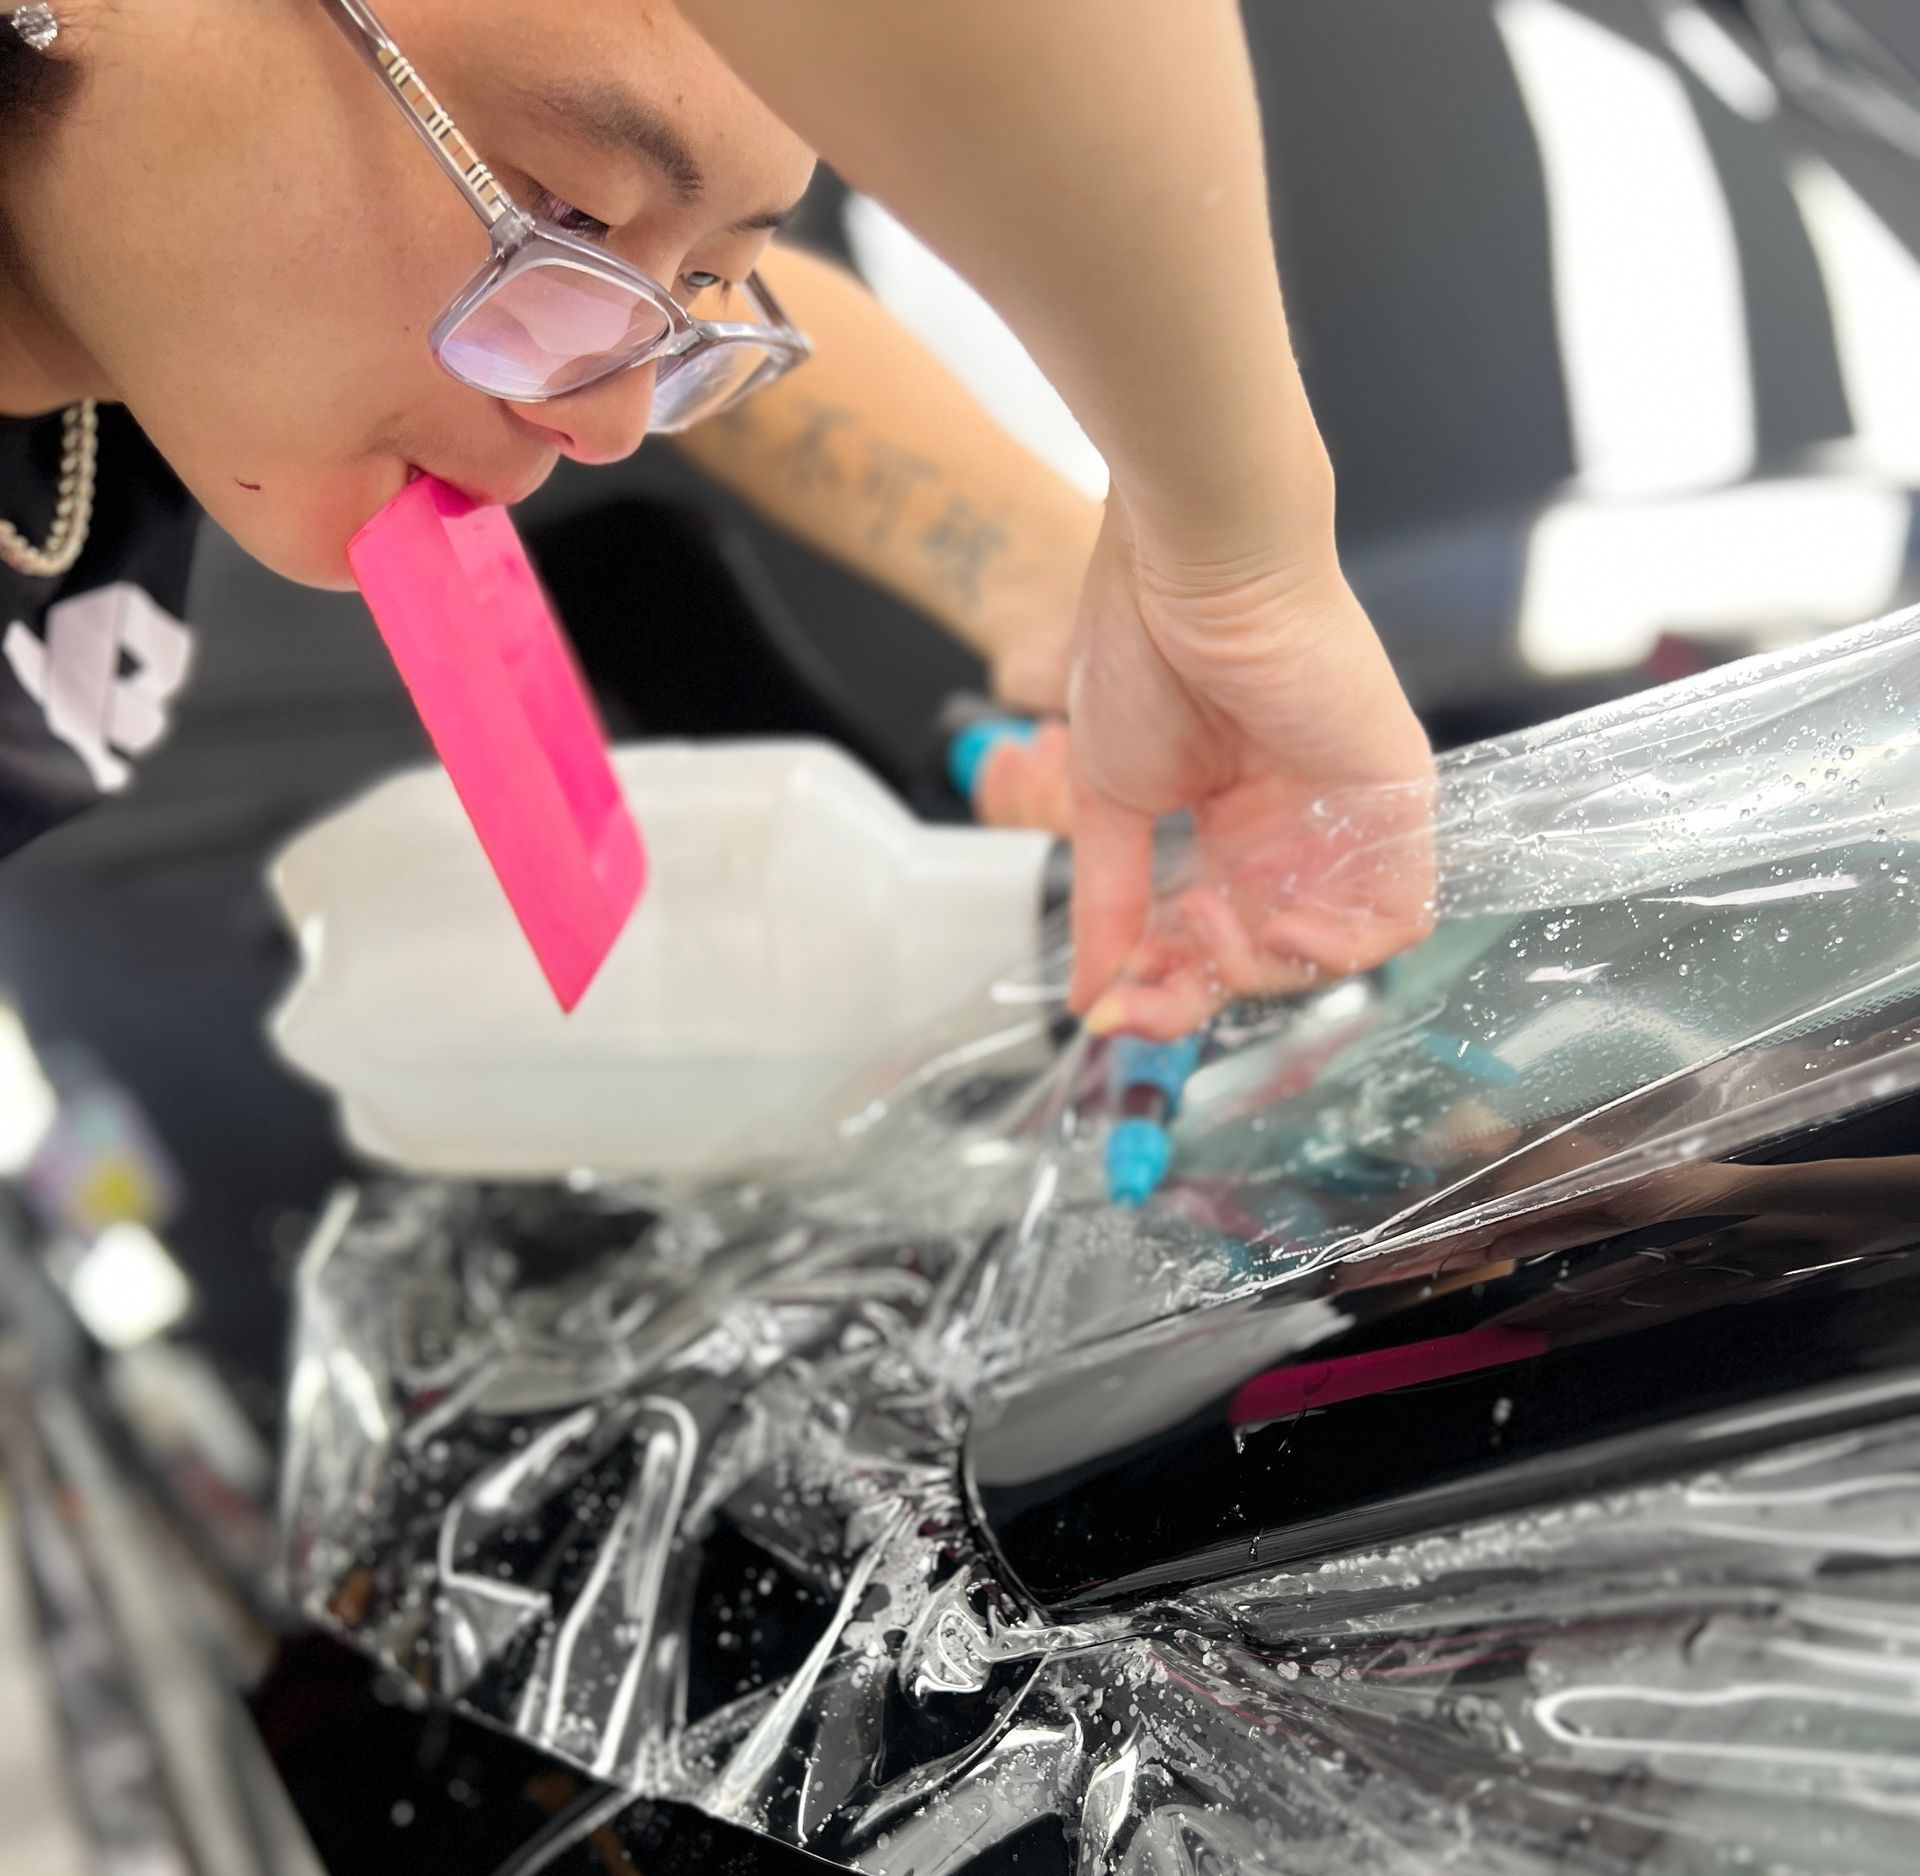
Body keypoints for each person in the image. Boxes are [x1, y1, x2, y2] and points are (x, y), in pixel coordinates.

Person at [0, 0, 1433, 1042]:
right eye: (561, 212)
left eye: (699, 293)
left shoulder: (175, 321)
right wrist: (1238, 558)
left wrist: (1072, 593)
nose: (607, 426)